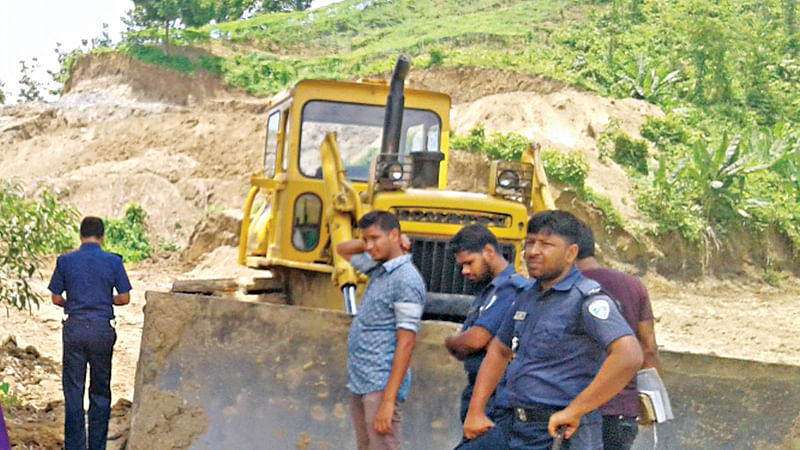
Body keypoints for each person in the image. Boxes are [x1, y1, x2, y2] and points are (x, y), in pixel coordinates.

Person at [463, 210, 643, 449]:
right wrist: (476, 411)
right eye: (530, 243)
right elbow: (498, 351)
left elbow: (629, 355)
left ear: (571, 254)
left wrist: (575, 410)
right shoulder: (526, 295)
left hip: (559, 434)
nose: (533, 252)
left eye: (546, 244)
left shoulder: (587, 299)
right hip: (512, 425)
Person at [336, 210, 426, 450]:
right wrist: (368, 241)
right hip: (362, 382)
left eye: (375, 238)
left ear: (394, 235)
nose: (368, 246)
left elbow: (406, 343)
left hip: (381, 386)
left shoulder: (406, 280)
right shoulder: (379, 270)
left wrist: (388, 402)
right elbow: (342, 249)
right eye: (366, 240)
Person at [575, 222, 663, 450]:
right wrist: (654, 404)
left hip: (573, 408)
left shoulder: (563, 289)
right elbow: (649, 348)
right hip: (621, 409)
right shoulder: (634, 286)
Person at [48, 217, 131, 450]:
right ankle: (97, 446)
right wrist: (106, 299)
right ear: (102, 237)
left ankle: (75, 447)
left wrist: (73, 303)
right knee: (100, 391)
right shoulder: (113, 261)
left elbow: (55, 298)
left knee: (74, 391)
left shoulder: (65, 261)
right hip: (101, 331)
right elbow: (124, 298)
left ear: (80, 235)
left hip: (74, 329)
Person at [444, 224, 527, 434]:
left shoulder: (509, 289)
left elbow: (474, 340)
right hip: (481, 392)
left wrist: (452, 341)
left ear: (489, 251)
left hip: (496, 397)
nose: (465, 271)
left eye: (470, 263)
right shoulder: (488, 291)